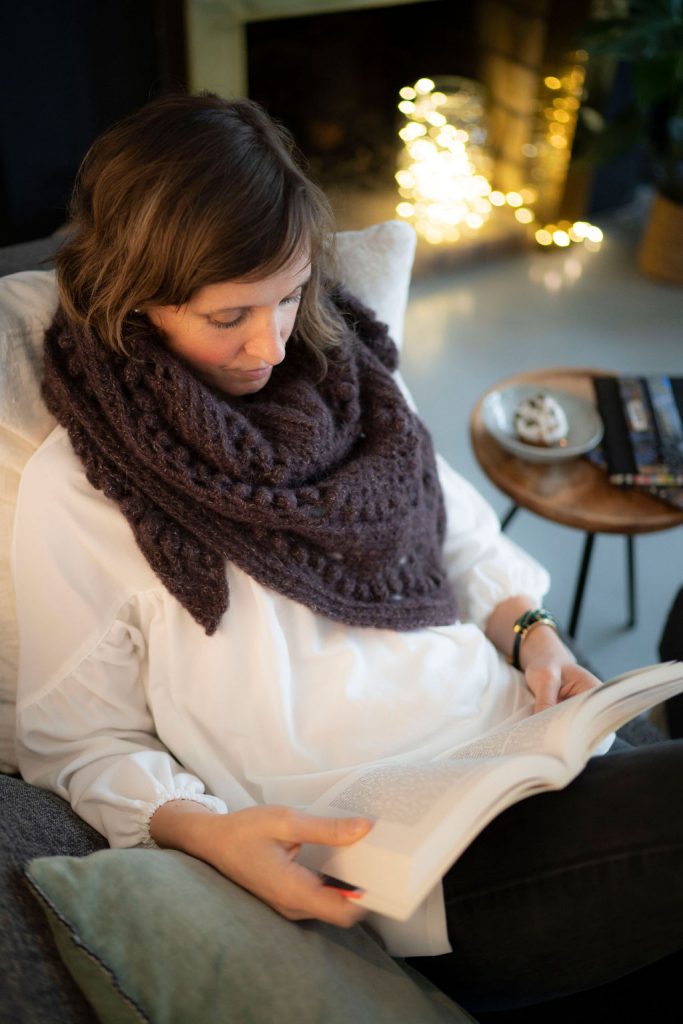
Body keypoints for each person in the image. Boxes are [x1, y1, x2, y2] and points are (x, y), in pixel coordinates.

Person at [13, 93, 683, 1020]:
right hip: (403, 870)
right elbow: (79, 744)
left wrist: (532, 633)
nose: (271, 341)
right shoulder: (81, 490)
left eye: (288, 295)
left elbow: (456, 535)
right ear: (138, 299)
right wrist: (207, 834)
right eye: (228, 315)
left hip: (521, 749)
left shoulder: (347, 378)